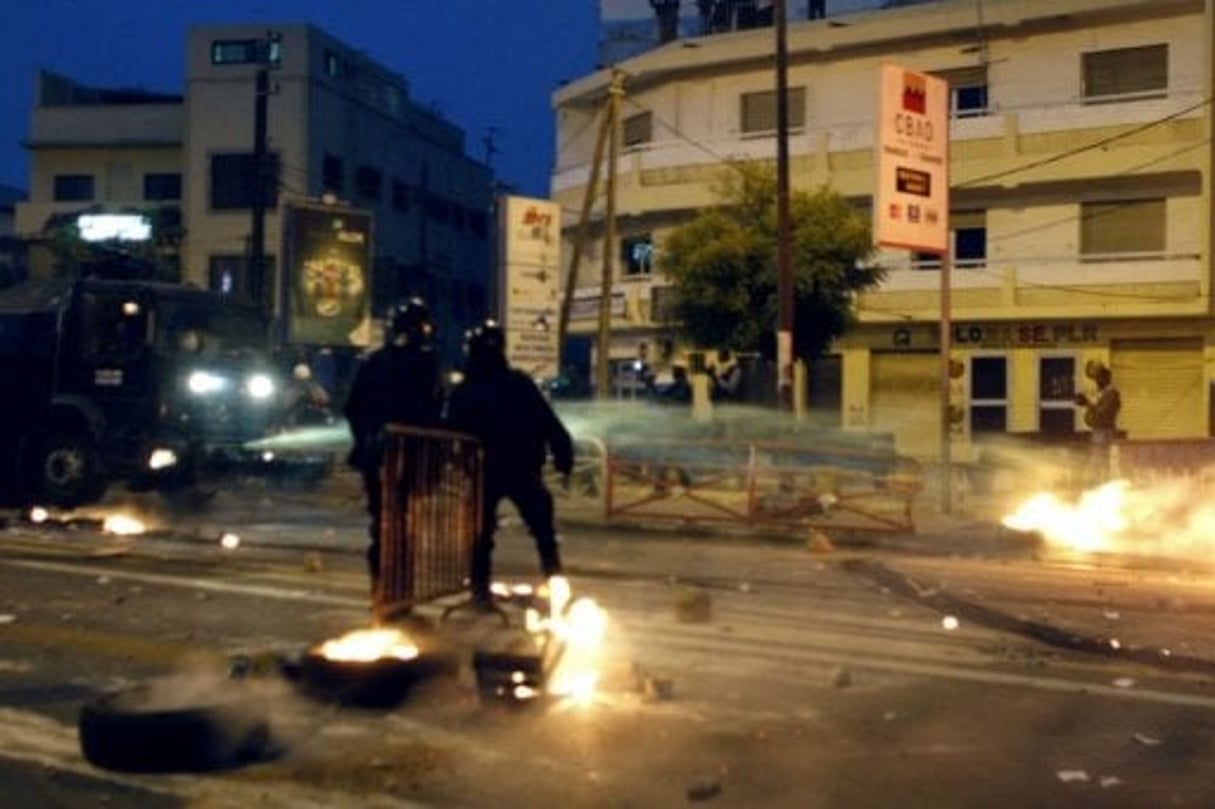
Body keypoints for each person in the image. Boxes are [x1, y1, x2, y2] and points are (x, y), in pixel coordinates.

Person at [446, 319, 575, 609]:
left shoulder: (467, 389)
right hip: (520, 467)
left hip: (486, 471)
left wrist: (450, 464)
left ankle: (480, 593)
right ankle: (554, 583)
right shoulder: (517, 383)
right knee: (541, 531)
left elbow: (448, 430)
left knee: (482, 534)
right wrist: (563, 456)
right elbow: (548, 422)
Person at [343, 297, 443, 593]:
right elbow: (433, 409)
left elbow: (352, 407)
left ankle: (383, 591)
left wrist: (366, 439)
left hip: (377, 455)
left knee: (383, 524)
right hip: (410, 455)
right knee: (402, 523)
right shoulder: (426, 363)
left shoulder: (375, 362)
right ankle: (400, 590)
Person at [1075, 362, 1121, 482]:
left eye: (1098, 379)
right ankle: (1099, 483)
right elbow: (1095, 410)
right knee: (1097, 461)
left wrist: (1087, 403)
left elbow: (1103, 413)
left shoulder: (1112, 393)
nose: (1096, 382)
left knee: (1101, 461)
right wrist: (1085, 403)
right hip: (1098, 431)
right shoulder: (1102, 393)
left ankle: (1103, 484)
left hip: (1105, 431)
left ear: (1105, 378)